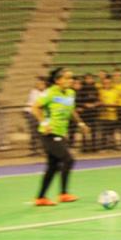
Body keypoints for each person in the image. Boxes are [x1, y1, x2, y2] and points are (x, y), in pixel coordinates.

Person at [32, 68, 89, 206]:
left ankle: (40, 198)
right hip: (49, 134)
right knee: (68, 159)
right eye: (67, 78)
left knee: (52, 166)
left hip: (60, 133)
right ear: (58, 80)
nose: (70, 80)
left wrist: (81, 123)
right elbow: (35, 107)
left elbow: (71, 111)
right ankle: (63, 194)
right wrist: (44, 123)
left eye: (71, 78)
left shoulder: (70, 93)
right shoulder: (50, 93)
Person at [24, 77, 47, 155]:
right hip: (31, 113)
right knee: (34, 132)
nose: (40, 85)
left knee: (42, 132)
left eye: (42, 84)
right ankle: (34, 150)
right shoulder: (33, 92)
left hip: (42, 114)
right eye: (38, 84)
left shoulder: (47, 92)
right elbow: (38, 103)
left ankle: (43, 149)